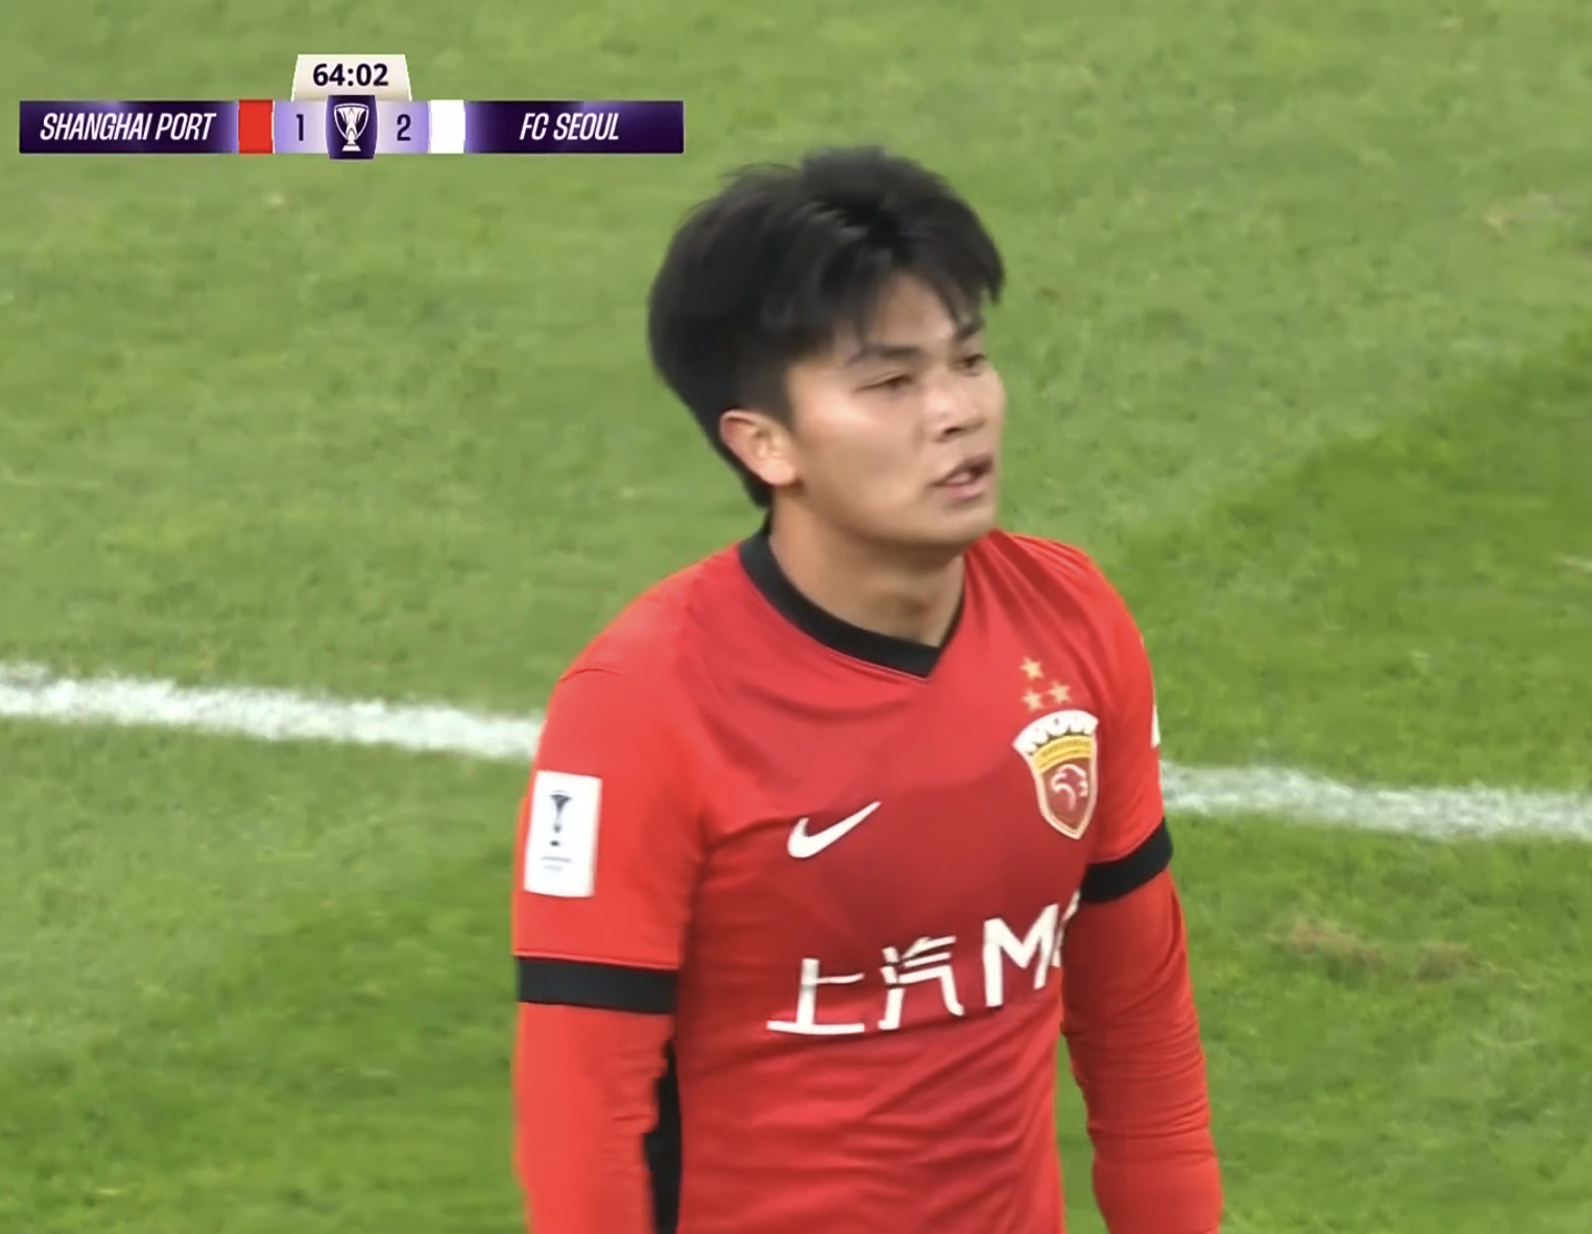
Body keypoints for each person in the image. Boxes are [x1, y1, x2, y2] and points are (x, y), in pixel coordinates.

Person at [511, 146, 1222, 1234]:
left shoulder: (1072, 622)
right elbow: (582, 1130)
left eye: (968, 360)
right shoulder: (640, 707)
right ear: (764, 443)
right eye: (891, 383)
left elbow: (1137, 1022)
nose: (957, 411)